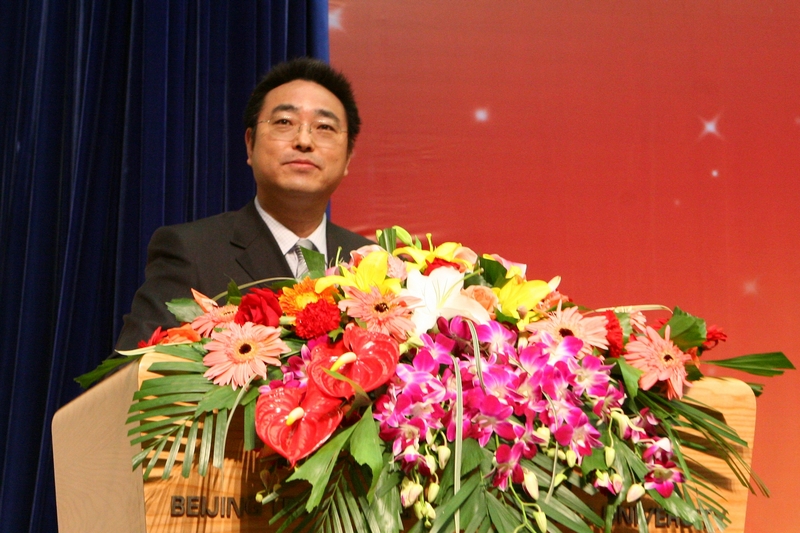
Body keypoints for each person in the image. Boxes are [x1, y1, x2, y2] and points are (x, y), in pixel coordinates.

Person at [115, 58, 372, 350]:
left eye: (324, 127)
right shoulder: (192, 252)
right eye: (284, 122)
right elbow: (131, 366)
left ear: (348, 157)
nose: (304, 140)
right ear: (250, 144)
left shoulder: (373, 264)